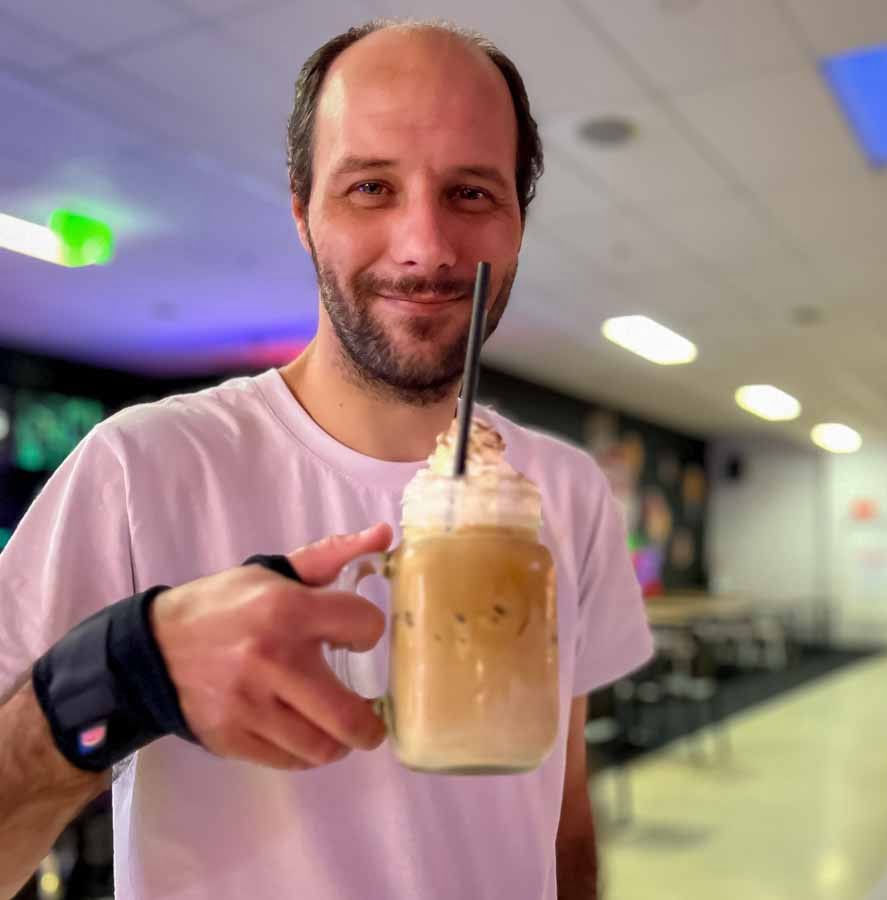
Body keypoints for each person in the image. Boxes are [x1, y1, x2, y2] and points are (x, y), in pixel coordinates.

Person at [0, 19, 654, 900]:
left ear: (518, 225)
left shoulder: (566, 493)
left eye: (471, 193)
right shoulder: (141, 469)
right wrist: (127, 673)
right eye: (372, 186)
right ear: (304, 213)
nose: (425, 246)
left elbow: (563, 822)